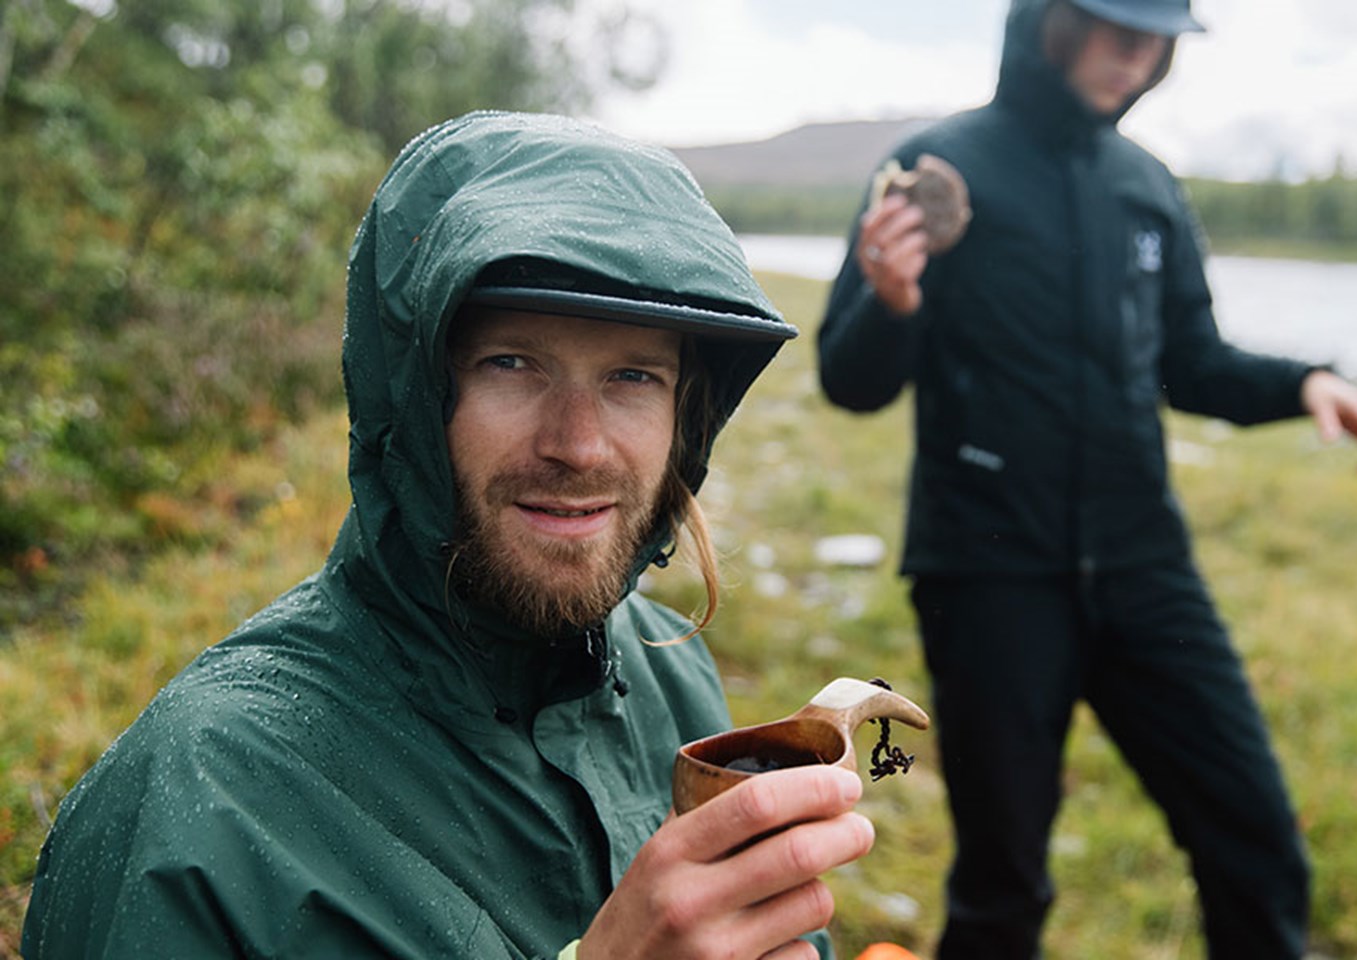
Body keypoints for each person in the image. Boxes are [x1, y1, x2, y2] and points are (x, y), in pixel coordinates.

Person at [23, 111, 876, 959]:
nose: (578, 445)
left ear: (686, 416)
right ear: (412, 396)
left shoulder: (667, 666)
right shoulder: (197, 803)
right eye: (512, 362)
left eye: (632, 376)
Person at [817, 1, 1357, 957]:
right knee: (1004, 885)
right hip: (989, 573)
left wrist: (1303, 381)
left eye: (1155, 34)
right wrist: (893, 302)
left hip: (1141, 566)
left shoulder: (1146, 187)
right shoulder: (937, 167)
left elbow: (1194, 363)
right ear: (1048, 19)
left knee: (1256, 840)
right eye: (1113, 23)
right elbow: (850, 379)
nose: (1137, 50)